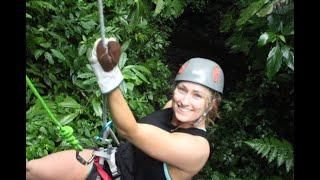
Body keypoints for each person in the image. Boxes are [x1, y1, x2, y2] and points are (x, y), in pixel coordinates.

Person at [26, 37, 224, 180]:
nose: (185, 101)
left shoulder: (197, 149)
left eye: (197, 95)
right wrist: (110, 63)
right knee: (32, 170)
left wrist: (109, 76)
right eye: (182, 89)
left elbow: (129, 130)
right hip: (110, 163)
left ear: (211, 104)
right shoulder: (175, 105)